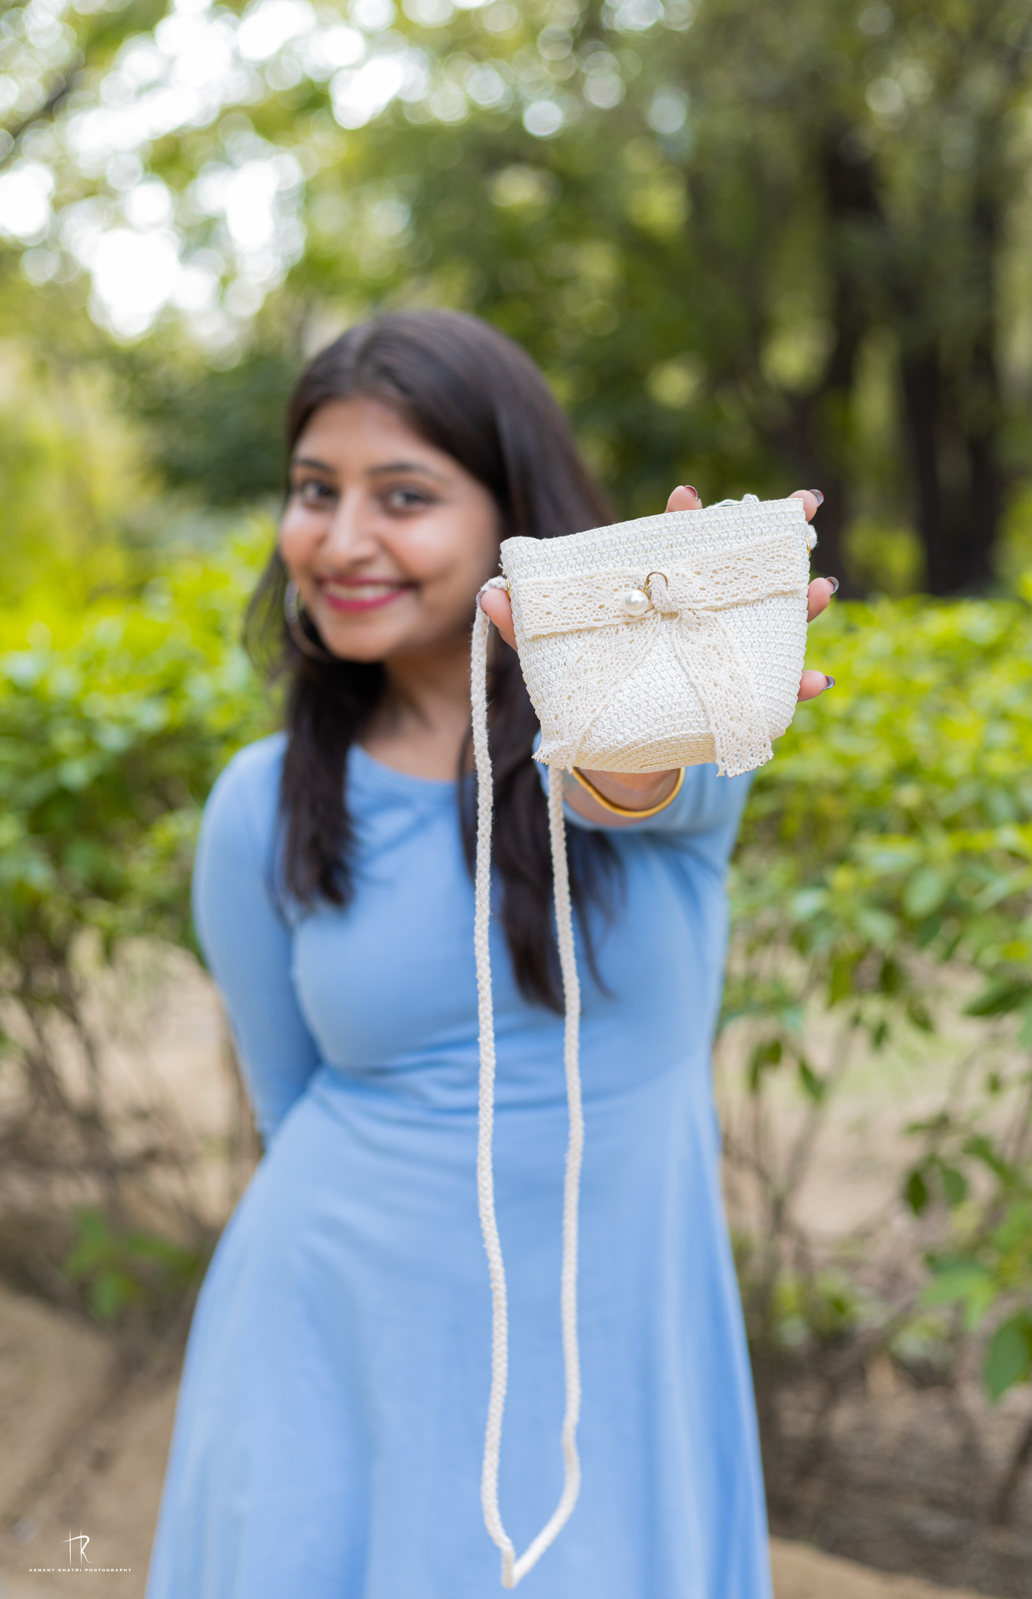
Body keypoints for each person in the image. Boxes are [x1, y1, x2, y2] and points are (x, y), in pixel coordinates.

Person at [145, 309, 834, 1599]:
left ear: (511, 513)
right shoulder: (261, 803)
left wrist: (648, 683)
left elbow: (623, 783)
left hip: (614, 1353)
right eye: (314, 492)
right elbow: (288, 1101)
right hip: (328, 1350)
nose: (342, 540)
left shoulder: (657, 745)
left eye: (403, 495)